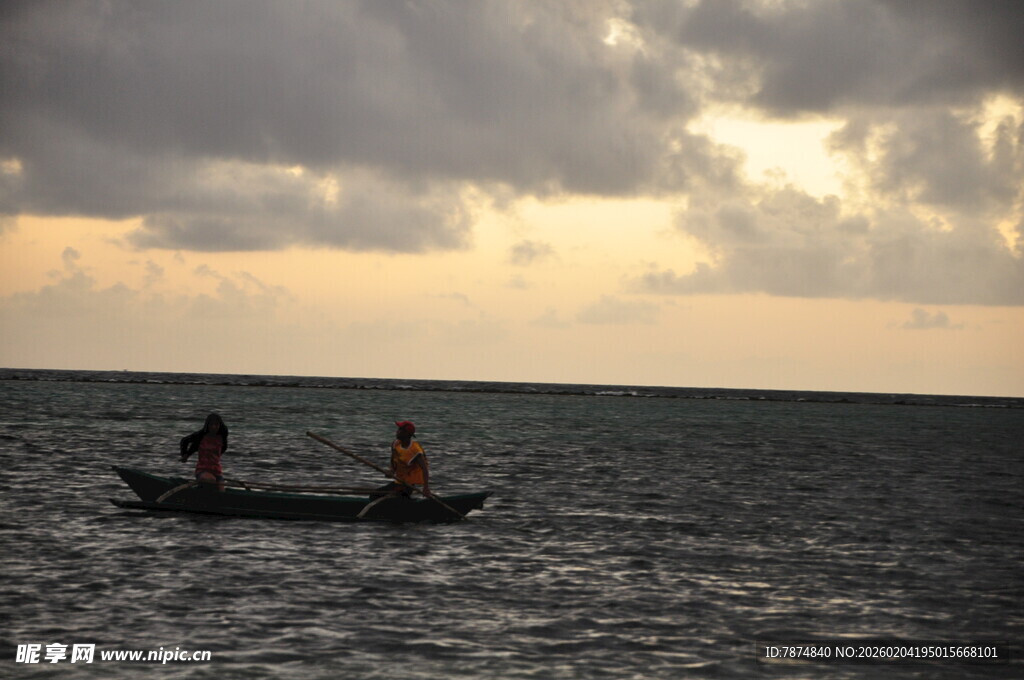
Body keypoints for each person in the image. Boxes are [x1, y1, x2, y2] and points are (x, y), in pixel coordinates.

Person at [374, 420, 430, 497]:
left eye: (400, 429)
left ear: (407, 433)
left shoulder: (415, 450)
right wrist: (391, 471)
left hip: (409, 485)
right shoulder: (396, 444)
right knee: (375, 494)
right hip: (398, 482)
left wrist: (426, 488)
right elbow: (394, 460)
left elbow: (425, 469)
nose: (397, 431)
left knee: (394, 497)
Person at [180, 413, 229, 491]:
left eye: (216, 425)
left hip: (217, 471)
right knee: (211, 480)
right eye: (211, 425)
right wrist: (185, 455)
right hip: (202, 470)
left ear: (220, 425)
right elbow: (184, 440)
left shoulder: (221, 438)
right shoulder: (201, 436)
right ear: (207, 425)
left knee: (222, 493)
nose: (214, 427)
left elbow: (223, 449)